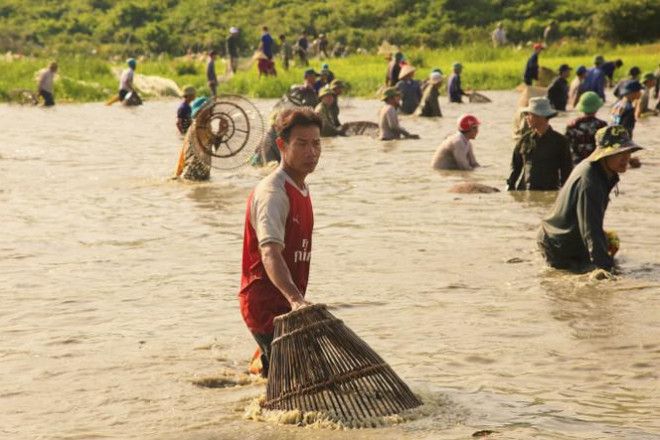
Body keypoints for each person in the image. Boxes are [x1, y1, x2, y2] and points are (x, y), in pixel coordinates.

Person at [238, 107, 322, 378]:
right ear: (281, 145)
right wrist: (296, 299)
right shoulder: (273, 192)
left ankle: (257, 371)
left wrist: (295, 301)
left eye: (316, 143)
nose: (312, 151)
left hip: (287, 305)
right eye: (301, 144)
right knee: (291, 382)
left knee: (284, 374)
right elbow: (270, 253)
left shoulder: (302, 187)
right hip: (266, 305)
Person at [537, 125, 644, 272]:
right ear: (605, 155)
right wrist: (605, 268)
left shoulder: (601, 171)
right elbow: (590, 229)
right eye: (620, 153)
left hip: (566, 235)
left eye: (628, 152)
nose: (626, 158)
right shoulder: (591, 181)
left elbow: (590, 223)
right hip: (558, 243)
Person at [507, 97, 573, 191]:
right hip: (524, 192)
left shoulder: (560, 142)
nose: (527, 118)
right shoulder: (524, 140)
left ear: (540, 116)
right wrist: (510, 187)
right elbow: (515, 168)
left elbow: (566, 172)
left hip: (549, 192)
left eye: (530, 114)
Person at [175, 97, 213, 181]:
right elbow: (205, 147)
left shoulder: (206, 125)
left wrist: (222, 132)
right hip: (192, 174)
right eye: (209, 109)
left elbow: (210, 149)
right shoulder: (197, 127)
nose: (211, 111)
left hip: (201, 173)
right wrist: (220, 133)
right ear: (200, 111)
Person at [565, 92, 607, 164]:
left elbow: (566, 145)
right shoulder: (602, 125)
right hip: (596, 161)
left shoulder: (572, 125)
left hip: (577, 162)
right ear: (597, 108)